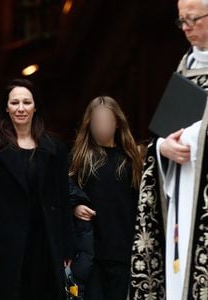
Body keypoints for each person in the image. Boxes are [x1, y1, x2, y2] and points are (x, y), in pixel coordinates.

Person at [130, 0, 208, 299]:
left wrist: (194, 139)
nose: (186, 28)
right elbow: (165, 134)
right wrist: (162, 146)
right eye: (181, 21)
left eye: (193, 19)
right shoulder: (184, 67)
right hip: (183, 200)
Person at [0, 78, 73, 300]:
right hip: (5, 241)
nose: (21, 108)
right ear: (6, 107)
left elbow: (62, 199)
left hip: (45, 241)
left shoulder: (55, 149)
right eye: (15, 103)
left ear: (35, 106)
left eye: (26, 102)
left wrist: (67, 246)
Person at [69, 96, 142, 300]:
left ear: (117, 122)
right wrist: (75, 206)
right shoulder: (79, 159)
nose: (101, 126)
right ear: (88, 124)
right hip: (91, 254)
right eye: (96, 122)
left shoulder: (130, 160)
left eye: (106, 120)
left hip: (123, 251)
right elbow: (63, 191)